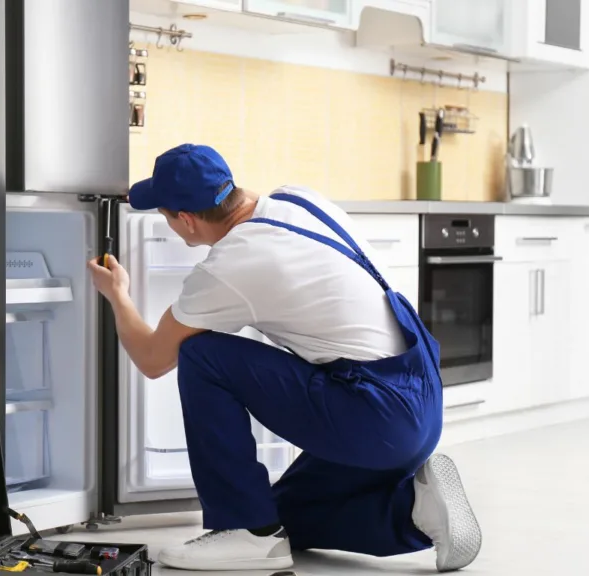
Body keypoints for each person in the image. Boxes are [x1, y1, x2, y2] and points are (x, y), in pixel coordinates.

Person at [87, 144, 482, 573]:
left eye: (166, 216)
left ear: (186, 219)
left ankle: (245, 530)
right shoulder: (299, 199)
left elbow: (152, 358)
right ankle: (415, 511)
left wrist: (118, 295)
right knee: (283, 517)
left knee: (202, 354)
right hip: (419, 399)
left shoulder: (231, 264)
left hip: (374, 414)